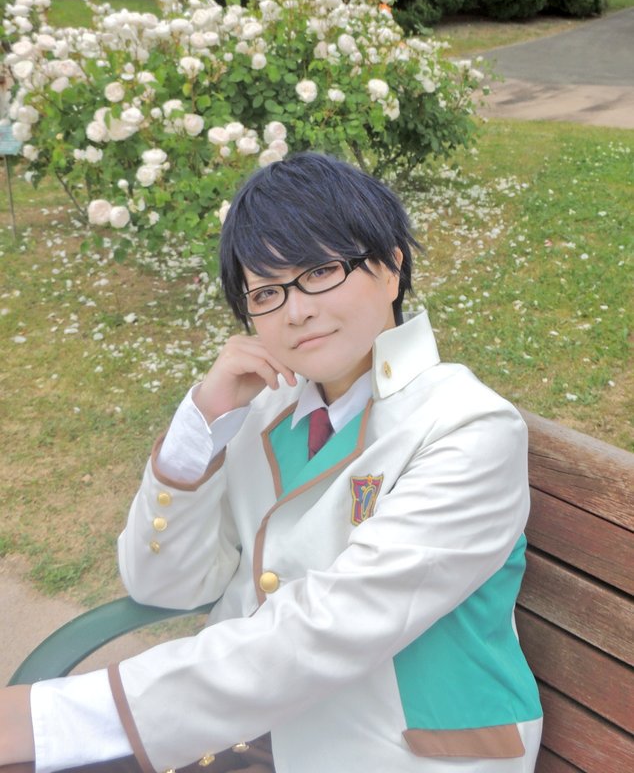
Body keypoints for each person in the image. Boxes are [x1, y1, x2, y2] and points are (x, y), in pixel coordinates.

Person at [0, 152, 543, 773]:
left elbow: (332, 624)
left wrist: (58, 719)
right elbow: (164, 584)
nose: (295, 310)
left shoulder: (466, 428)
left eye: (321, 271)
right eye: (266, 292)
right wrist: (203, 422)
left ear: (392, 268)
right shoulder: (267, 412)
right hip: (255, 735)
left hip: (397, 753)